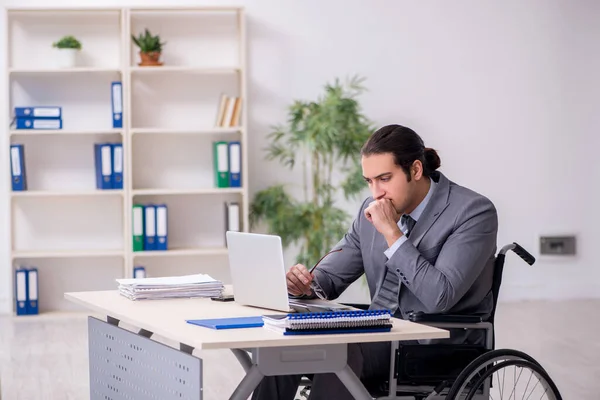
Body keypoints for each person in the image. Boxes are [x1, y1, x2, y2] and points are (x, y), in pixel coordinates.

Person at [251, 124, 498, 400]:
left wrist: (392, 233)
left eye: (384, 178)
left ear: (415, 170)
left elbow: (439, 297)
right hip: (379, 333)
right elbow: (331, 278)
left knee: (338, 350)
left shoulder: (473, 212)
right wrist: (305, 285)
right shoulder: (370, 212)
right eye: (369, 181)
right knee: (286, 341)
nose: (376, 192)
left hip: (432, 344)